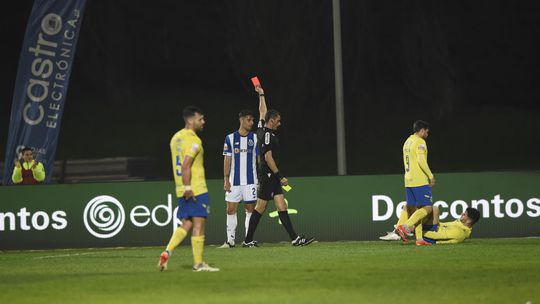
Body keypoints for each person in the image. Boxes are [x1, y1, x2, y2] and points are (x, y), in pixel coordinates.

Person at [242, 84, 315, 247]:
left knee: (281, 204)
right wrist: (279, 175)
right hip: (267, 174)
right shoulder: (267, 135)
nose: (280, 123)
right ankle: (247, 241)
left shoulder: (261, 129)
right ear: (272, 120)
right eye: (278, 121)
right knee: (260, 207)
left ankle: (295, 239)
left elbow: (262, 112)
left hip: (269, 174)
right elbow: (268, 157)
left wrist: (261, 95)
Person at [158, 106, 219, 272]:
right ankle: (198, 264)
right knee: (199, 224)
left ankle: (167, 252)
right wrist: (188, 187)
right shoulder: (194, 140)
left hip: (180, 188)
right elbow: (186, 164)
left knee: (186, 224)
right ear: (191, 120)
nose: (203, 122)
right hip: (195, 188)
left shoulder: (175, 138)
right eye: (200, 119)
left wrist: (183, 187)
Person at [218, 110, 258, 248]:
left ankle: (248, 240)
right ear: (241, 120)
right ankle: (230, 241)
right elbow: (227, 159)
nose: (251, 123)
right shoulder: (229, 138)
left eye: (253, 120)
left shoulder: (255, 138)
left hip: (251, 181)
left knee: (250, 210)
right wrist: (226, 179)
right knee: (230, 209)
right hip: (234, 181)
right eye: (249, 120)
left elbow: (259, 160)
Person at [395, 120, 435, 243]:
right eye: (426, 132)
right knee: (428, 208)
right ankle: (404, 227)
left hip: (408, 180)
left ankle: (419, 239)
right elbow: (421, 160)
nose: (427, 135)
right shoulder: (420, 142)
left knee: (417, 210)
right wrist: (430, 175)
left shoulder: (407, 141)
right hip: (419, 180)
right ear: (422, 130)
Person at [381, 205, 481, 245]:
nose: (461, 214)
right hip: (432, 228)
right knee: (409, 205)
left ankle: (401, 230)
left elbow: (438, 237)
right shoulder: (459, 224)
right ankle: (397, 232)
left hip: (430, 235)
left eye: (464, 214)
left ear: (469, 221)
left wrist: (417, 232)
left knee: (433, 209)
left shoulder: (460, 232)